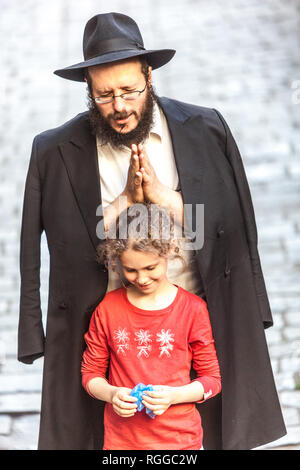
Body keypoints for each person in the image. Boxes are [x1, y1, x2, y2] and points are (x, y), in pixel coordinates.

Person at [18, 12, 286, 450]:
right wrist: (122, 204)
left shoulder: (206, 128)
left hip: (193, 323)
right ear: (88, 90)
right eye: (104, 95)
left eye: (129, 90)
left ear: (149, 77)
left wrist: (165, 198)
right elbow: (34, 250)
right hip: (106, 335)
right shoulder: (52, 152)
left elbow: (235, 231)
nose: (119, 107)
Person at [81, 203, 221, 450]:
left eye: (150, 268)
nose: (142, 279)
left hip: (181, 442)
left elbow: (212, 379)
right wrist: (112, 395)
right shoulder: (107, 310)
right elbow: (90, 374)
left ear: (170, 251)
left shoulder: (192, 309)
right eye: (131, 270)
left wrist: (174, 396)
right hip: (122, 444)